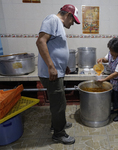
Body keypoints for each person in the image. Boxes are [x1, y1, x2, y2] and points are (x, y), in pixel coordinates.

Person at [36, 4, 80, 144]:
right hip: (51, 74)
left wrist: (62, 66)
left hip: (56, 71)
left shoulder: (58, 25)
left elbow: (55, 48)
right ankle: (58, 134)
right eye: (73, 20)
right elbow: (41, 42)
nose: (72, 23)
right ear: (67, 15)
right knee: (59, 104)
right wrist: (51, 67)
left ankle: (57, 124)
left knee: (58, 102)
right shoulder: (53, 20)